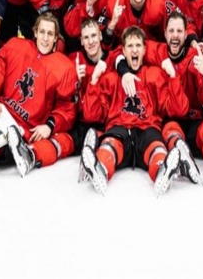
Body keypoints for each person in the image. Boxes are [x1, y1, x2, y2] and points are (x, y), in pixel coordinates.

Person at [79, 26, 191, 196]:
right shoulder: (111, 79)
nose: (134, 50)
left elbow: (178, 110)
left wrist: (173, 77)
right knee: (111, 142)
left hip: (147, 128)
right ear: (123, 51)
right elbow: (91, 114)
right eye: (130, 46)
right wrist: (94, 81)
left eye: (138, 45)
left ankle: (162, 169)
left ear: (144, 50)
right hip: (120, 127)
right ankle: (100, 167)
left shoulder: (154, 75)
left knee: (155, 145)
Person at [0, 13, 79, 178]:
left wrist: (49, 126)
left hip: (25, 132)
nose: (45, 38)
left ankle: (29, 155)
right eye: (42, 32)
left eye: (50, 34)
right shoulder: (16, 46)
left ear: (55, 39)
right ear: (35, 32)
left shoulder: (64, 68)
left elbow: (67, 108)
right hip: (0, 115)